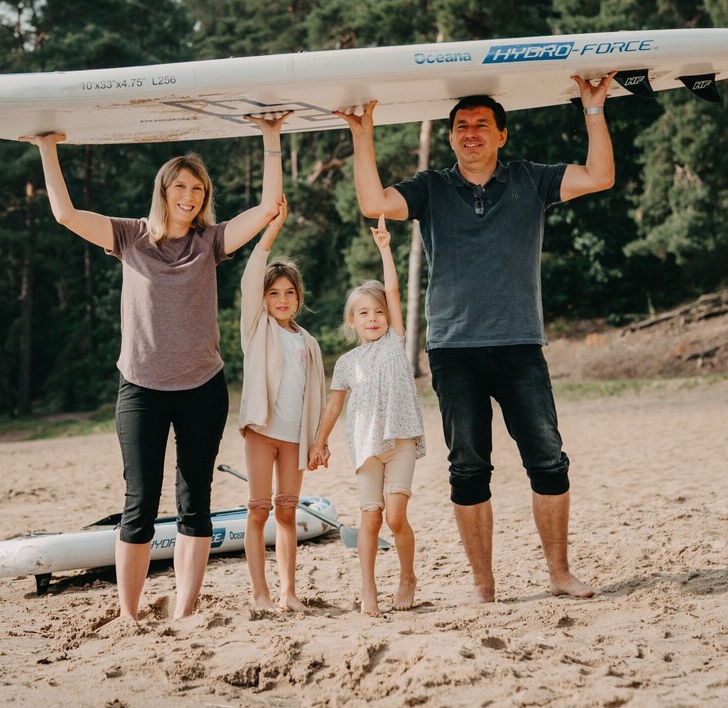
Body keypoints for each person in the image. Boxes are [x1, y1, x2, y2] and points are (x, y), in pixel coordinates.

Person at [334, 74, 616, 602]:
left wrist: (593, 109)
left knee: (548, 460)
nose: (471, 133)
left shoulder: (531, 179)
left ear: (501, 135)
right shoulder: (431, 188)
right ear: (450, 137)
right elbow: (372, 199)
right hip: (453, 349)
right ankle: (483, 584)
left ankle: (559, 573)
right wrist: (362, 132)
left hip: (519, 345)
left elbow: (600, 176)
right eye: (461, 126)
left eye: (481, 125)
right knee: (468, 467)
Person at [21, 114, 287, 622]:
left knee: (196, 500)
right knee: (139, 502)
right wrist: (47, 147)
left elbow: (268, 208)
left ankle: (185, 610)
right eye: (180, 186)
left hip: (202, 389)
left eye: (198, 188)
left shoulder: (209, 242)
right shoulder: (129, 236)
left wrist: (270, 137)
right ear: (163, 190)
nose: (189, 195)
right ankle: (129, 613)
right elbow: (65, 214)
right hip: (140, 389)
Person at [309, 215, 425, 616]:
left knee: (395, 517)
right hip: (365, 447)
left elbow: (392, 287)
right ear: (351, 321)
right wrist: (320, 442)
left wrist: (385, 249)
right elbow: (334, 406)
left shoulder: (395, 341)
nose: (372, 317)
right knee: (370, 520)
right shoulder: (345, 362)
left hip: (400, 439)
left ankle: (407, 576)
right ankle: (369, 590)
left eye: (377, 311)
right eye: (363, 313)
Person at [237, 193, 326, 613]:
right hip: (262, 432)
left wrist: (318, 442)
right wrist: (270, 232)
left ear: (299, 296)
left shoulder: (308, 342)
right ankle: (261, 595)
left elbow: (319, 400)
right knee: (258, 510)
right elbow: (251, 278)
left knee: (287, 512)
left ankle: (289, 593)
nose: (283, 299)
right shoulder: (257, 329)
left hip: (293, 438)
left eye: (290, 293)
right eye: (274, 294)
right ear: (265, 299)